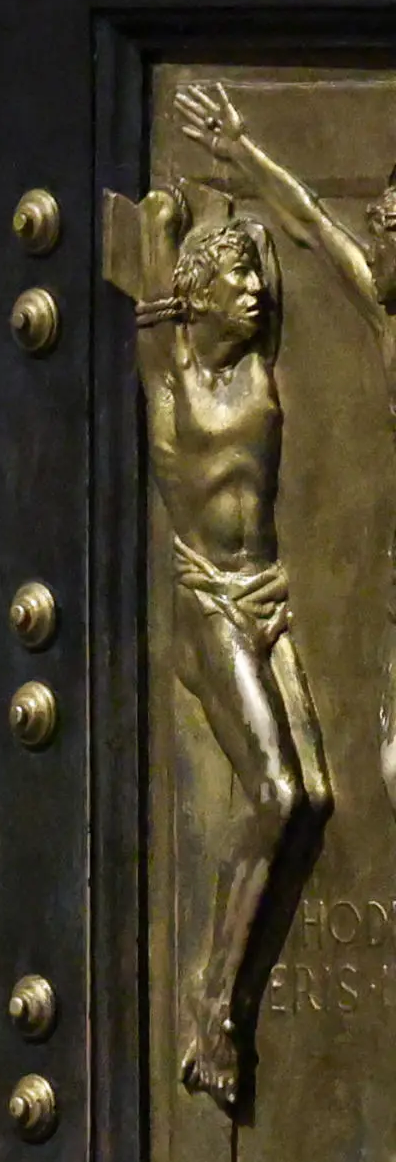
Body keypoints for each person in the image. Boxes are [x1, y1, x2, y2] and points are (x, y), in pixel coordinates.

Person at [124, 174, 333, 1108]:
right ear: (196, 293)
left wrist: (247, 182)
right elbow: (144, 301)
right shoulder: (169, 380)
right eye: (239, 280)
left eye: (260, 281)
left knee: (317, 797)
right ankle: (214, 1012)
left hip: (268, 594)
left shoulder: (263, 368)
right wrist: (159, 223)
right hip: (207, 599)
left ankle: (223, 996)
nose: (257, 293)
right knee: (278, 792)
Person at [175, 80, 396, 812]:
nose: (373, 230)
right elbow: (307, 223)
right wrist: (239, 147)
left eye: (388, 225)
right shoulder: (385, 311)